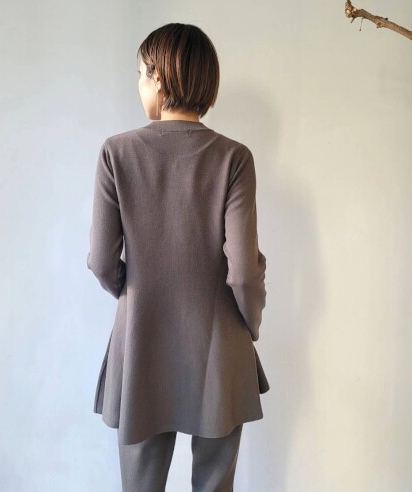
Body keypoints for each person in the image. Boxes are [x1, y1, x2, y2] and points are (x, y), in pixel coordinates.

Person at [87, 22, 270, 492]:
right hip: (219, 347)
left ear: (159, 77)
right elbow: (243, 272)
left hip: (142, 342)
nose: (140, 84)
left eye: (141, 74)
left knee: (140, 485)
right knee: (214, 484)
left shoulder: (116, 153)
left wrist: (135, 292)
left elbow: (102, 260)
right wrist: (249, 324)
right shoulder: (234, 158)